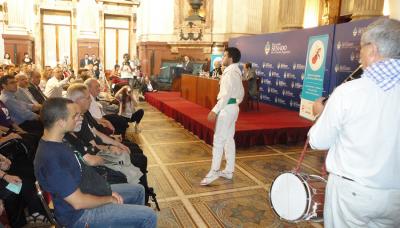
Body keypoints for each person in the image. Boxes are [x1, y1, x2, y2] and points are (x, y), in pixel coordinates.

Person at [308, 18, 400, 228]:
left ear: (372, 50)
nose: (359, 54)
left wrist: (320, 114)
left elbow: (318, 141)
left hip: (352, 196)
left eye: (361, 48)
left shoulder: (349, 92)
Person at [34, 97, 156, 227]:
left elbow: (83, 176)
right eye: (75, 116)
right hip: (80, 216)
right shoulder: (52, 158)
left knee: (138, 190)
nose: (79, 118)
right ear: (61, 122)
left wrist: (105, 190)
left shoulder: (60, 141)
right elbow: (78, 202)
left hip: (85, 194)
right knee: (149, 216)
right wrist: (108, 198)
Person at [200, 47, 244, 185]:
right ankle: (229, 171)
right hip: (233, 108)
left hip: (226, 108)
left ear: (230, 58)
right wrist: (235, 104)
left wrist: (215, 110)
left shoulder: (230, 73)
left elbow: (225, 94)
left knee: (218, 140)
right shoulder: (236, 71)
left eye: (224, 55)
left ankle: (214, 171)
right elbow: (241, 93)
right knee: (228, 140)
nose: (222, 58)